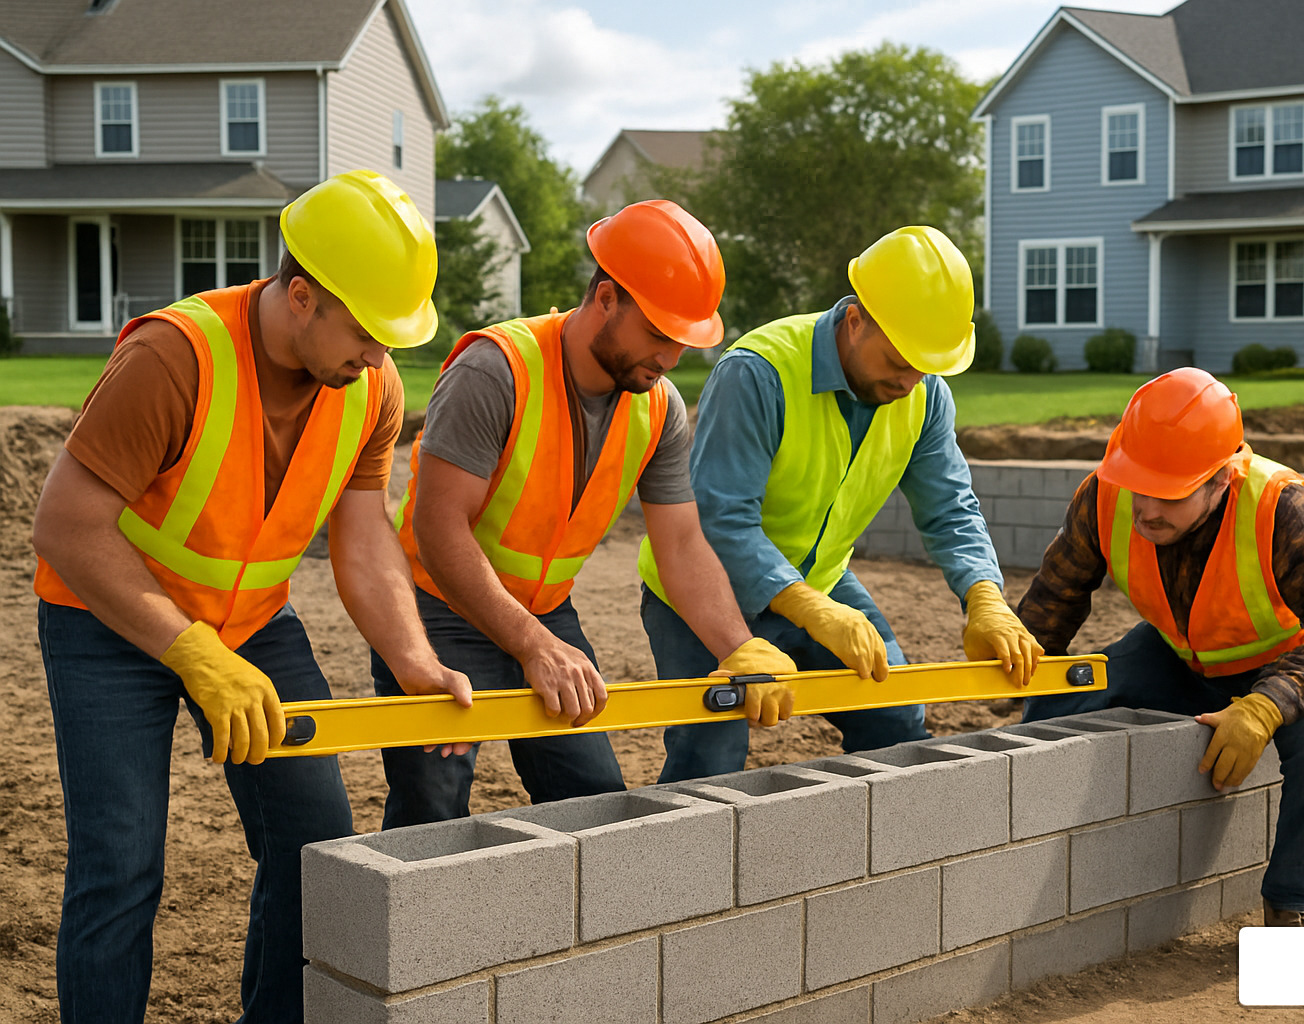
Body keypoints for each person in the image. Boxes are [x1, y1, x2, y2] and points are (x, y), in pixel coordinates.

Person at [31, 169, 474, 1023]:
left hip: (254, 628)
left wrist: (413, 658)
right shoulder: (172, 358)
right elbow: (66, 527)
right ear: (302, 296)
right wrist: (192, 652)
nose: (383, 359)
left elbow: (363, 531)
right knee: (120, 865)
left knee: (314, 846)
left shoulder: (369, 387)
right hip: (105, 625)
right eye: (369, 333)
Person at [379, 199, 795, 823]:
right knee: (431, 808)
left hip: (546, 611)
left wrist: (739, 646)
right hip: (442, 608)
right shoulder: (495, 371)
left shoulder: (658, 407)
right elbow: (438, 531)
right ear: (605, 299)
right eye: (658, 334)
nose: (669, 359)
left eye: (682, 342)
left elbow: (681, 545)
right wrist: (531, 644)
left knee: (593, 806)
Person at [639, 225, 1042, 783]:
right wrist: (814, 610)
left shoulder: (924, 395)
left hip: (821, 583)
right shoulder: (758, 373)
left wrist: (985, 598)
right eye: (900, 358)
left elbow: (950, 507)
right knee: (711, 760)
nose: (910, 379)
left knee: (896, 720)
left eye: (927, 364)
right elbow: (719, 518)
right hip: (701, 590)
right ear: (855, 319)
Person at [1016, 367, 1304, 926]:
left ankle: (1296, 903)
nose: (1146, 509)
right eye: (1139, 485)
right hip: (1174, 658)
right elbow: (1053, 603)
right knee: (1062, 700)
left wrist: (1265, 707)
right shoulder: (1106, 494)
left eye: (1171, 493)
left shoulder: (1280, 507)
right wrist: (1014, 660)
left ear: (1221, 479)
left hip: (1280, 672)